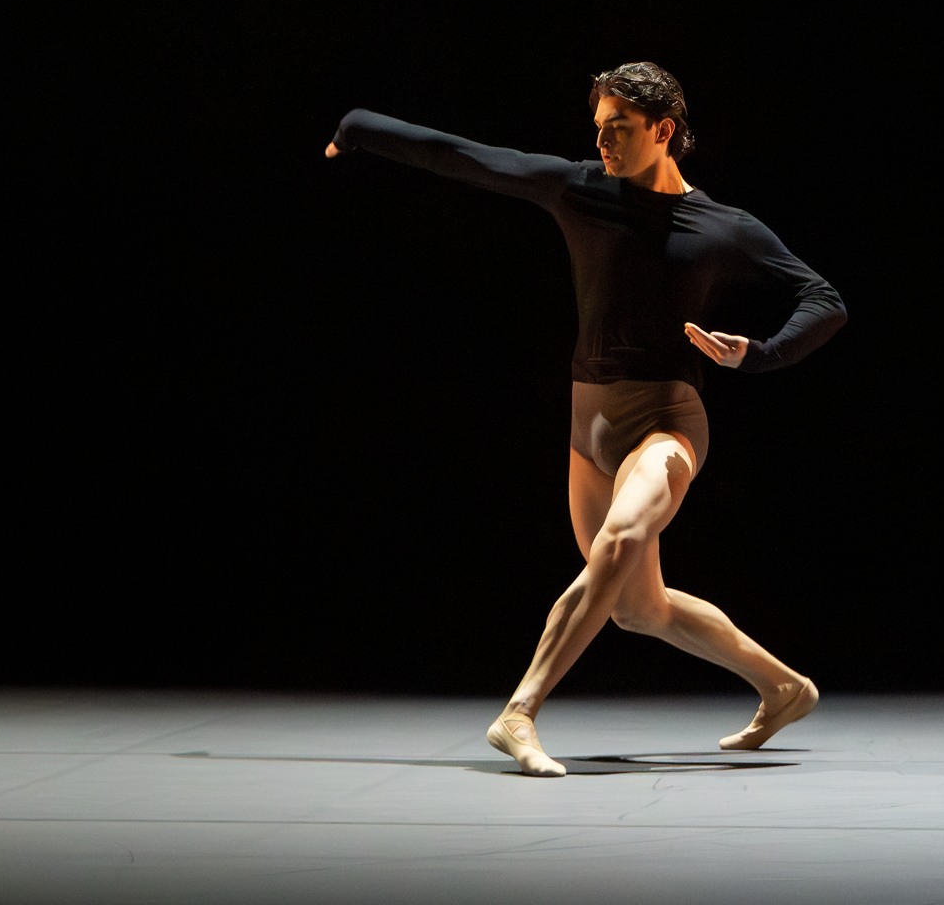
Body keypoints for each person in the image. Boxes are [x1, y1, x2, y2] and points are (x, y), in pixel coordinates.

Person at [323, 62, 846, 777]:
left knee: (620, 538)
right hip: (588, 427)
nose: (602, 142)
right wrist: (359, 129)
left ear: (663, 130)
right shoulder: (577, 189)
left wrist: (758, 354)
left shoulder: (723, 227)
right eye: (598, 127)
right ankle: (785, 688)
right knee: (636, 606)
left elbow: (823, 299)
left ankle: (520, 711)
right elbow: (468, 157)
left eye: (618, 128)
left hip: (666, 421)